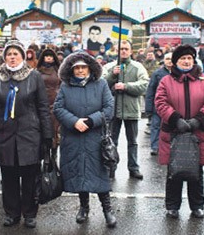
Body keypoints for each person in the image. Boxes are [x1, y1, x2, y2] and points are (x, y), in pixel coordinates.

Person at [0, 40, 53, 229]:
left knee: (30, 177)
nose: (12, 57)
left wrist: (48, 136)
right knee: (9, 178)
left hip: (30, 135)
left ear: (23, 56)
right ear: (4, 58)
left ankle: (30, 213)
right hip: (4, 136)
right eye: (9, 54)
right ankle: (12, 213)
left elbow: (43, 108)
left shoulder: (34, 76)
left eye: (16, 54)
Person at [53, 51, 116, 228]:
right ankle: (84, 207)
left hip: (96, 138)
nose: (80, 71)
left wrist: (90, 120)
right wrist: (74, 122)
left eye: (83, 67)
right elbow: (58, 108)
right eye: (77, 68)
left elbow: (109, 108)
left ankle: (107, 210)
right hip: (74, 137)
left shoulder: (101, 84)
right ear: (71, 70)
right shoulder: (65, 87)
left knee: (99, 174)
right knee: (80, 174)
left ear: (89, 68)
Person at [155, 44, 204, 219]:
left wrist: (199, 120)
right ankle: (172, 206)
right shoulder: (166, 81)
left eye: (189, 58)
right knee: (173, 171)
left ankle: (197, 205)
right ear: (176, 62)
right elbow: (160, 102)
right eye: (183, 58)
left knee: (196, 172)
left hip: (198, 132)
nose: (186, 61)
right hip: (174, 131)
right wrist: (175, 119)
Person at [103, 40, 149, 180]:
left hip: (131, 109)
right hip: (113, 110)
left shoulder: (138, 67)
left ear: (130, 51)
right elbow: (101, 84)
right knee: (112, 141)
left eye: (126, 49)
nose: (123, 51)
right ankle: (111, 168)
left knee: (133, 142)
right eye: (121, 49)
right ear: (116, 51)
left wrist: (126, 86)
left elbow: (144, 84)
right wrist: (112, 75)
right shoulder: (109, 67)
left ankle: (134, 168)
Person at [145, 52, 173, 156]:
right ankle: (155, 147)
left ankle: (170, 146)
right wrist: (148, 109)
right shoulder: (157, 74)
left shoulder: (178, 73)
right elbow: (150, 91)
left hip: (172, 107)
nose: (169, 61)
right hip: (158, 106)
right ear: (164, 61)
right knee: (155, 126)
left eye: (171, 59)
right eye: (167, 59)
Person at [36, 48, 61, 159]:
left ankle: (54, 153)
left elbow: (62, 84)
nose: (49, 58)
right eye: (47, 56)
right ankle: (45, 154)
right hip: (41, 102)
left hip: (55, 102)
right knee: (43, 129)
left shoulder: (58, 70)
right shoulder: (38, 71)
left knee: (55, 129)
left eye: (51, 56)